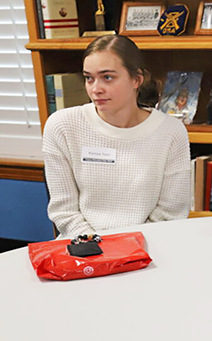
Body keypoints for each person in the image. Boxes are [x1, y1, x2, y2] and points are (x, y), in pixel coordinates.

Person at [43, 35, 191, 238]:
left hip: (150, 246)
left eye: (107, 77)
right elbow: (64, 211)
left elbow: (170, 213)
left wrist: (128, 249)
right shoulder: (62, 126)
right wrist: (97, 245)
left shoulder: (171, 132)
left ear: (136, 80)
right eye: (89, 78)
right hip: (83, 247)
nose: (95, 89)